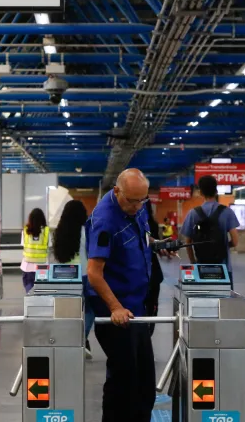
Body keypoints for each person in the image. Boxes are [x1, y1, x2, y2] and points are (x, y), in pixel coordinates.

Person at [85, 168, 157, 421]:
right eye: (132, 201)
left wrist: (158, 247)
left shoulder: (137, 206)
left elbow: (142, 237)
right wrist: (115, 307)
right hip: (116, 311)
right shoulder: (105, 221)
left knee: (145, 381)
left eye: (142, 200)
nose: (137, 207)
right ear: (117, 191)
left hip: (137, 307)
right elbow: (94, 273)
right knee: (123, 380)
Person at [181, 175, 240, 288]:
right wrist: (222, 246)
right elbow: (235, 241)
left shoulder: (193, 213)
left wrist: (194, 262)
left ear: (200, 193)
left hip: (201, 267)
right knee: (224, 302)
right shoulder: (227, 212)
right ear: (216, 191)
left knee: (203, 303)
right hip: (224, 268)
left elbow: (188, 242)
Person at [51, 199, 94, 359]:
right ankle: (81, 339)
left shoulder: (59, 232)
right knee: (89, 309)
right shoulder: (85, 231)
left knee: (67, 312)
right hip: (82, 275)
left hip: (62, 276)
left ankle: (67, 341)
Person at [145, 203, 164, 336]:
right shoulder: (153, 224)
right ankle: (147, 336)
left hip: (148, 273)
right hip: (153, 273)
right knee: (151, 307)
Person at [20, 208, 48, 293]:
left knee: (29, 290)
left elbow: (23, 245)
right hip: (42, 266)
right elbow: (49, 246)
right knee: (41, 291)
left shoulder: (25, 231)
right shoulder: (46, 231)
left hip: (28, 266)